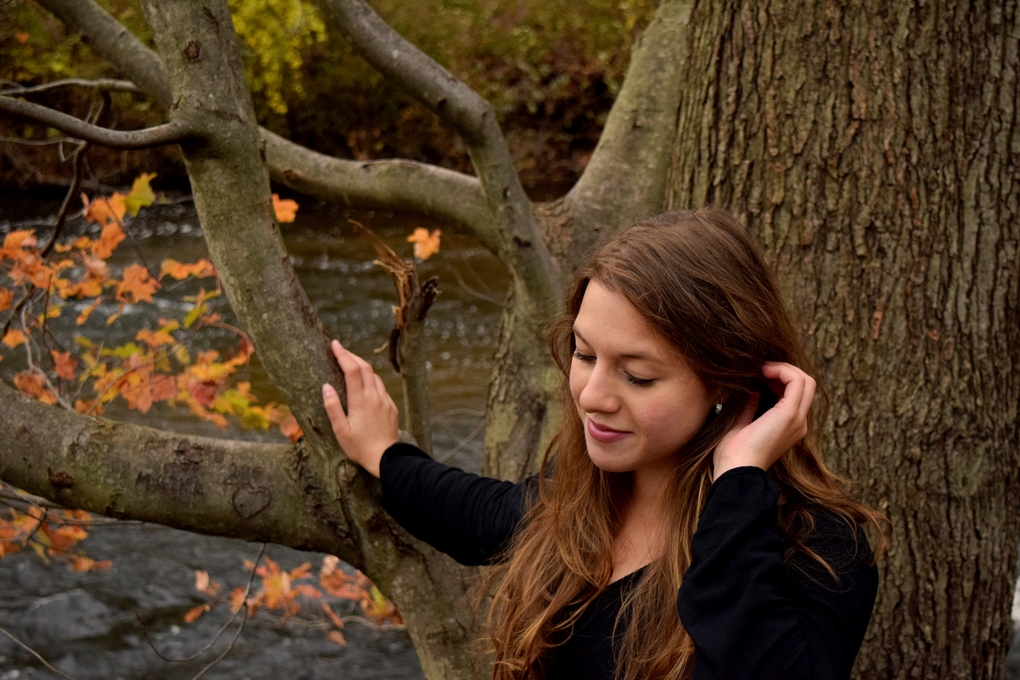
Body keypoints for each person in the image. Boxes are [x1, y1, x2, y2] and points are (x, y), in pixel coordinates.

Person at [321, 208, 889, 680]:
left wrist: (739, 480)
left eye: (637, 376)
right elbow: (473, 511)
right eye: (585, 354)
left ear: (727, 381)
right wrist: (386, 455)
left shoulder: (818, 551)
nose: (592, 396)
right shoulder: (575, 507)